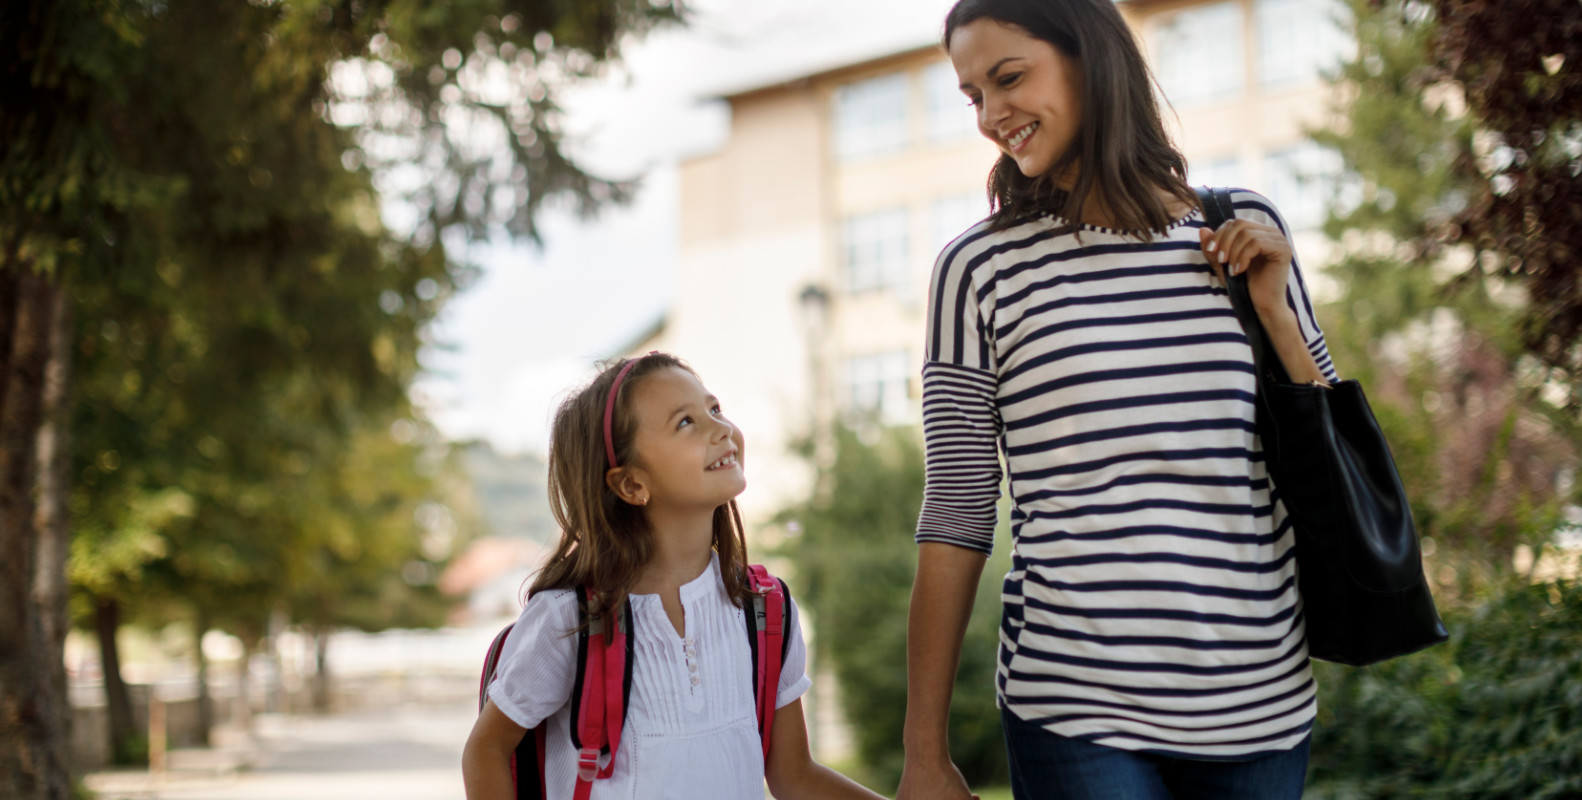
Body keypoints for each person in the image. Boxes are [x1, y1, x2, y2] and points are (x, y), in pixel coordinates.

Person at [897, 1, 1338, 798]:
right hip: (1075, 707)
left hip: (1260, 701)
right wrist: (924, 752)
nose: (993, 117)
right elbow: (958, 505)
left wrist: (1273, 307)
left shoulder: (1240, 229)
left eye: (1009, 78)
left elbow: (1329, 450)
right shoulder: (978, 270)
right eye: (973, 97)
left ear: (1089, 59)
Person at [463, 352, 885, 800]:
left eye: (715, 409)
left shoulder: (764, 612)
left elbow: (793, 774)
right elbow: (485, 750)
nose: (721, 428)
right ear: (631, 485)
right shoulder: (571, 621)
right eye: (686, 422)